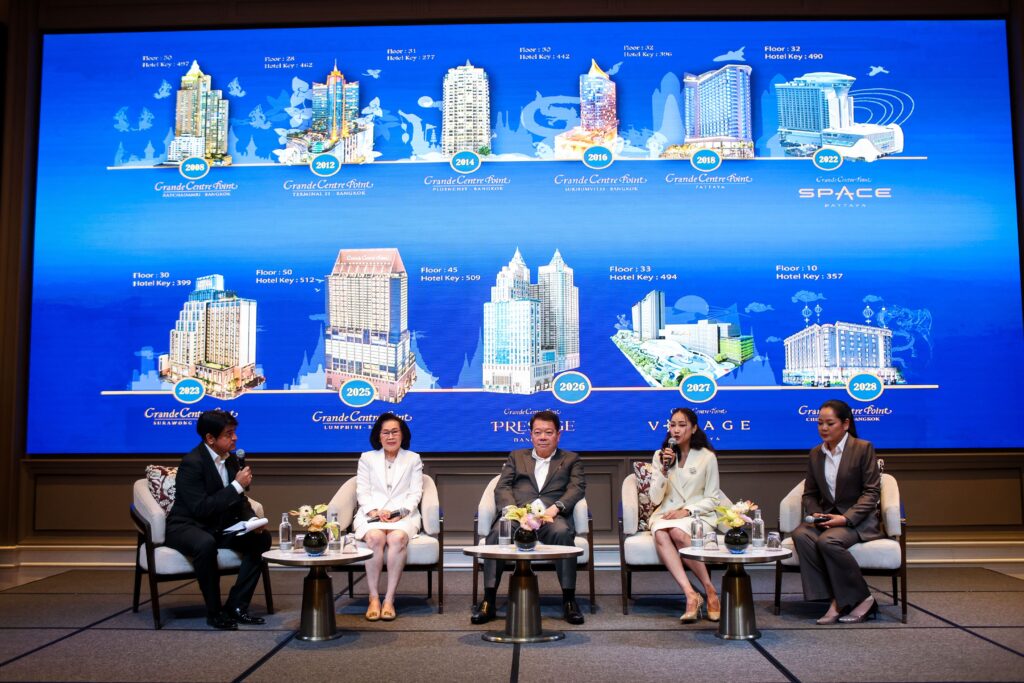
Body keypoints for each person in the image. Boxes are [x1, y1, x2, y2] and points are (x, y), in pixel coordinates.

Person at [471, 409, 586, 625]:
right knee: (498, 533)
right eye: (538, 432)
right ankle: (488, 600)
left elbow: (576, 488)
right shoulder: (516, 456)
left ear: (558, 435)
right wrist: (513, 512)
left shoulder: (571, 459)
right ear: (531, 435)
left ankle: (569, 600)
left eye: (548, 432)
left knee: (562, 533)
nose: (543, 437)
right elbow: (502, 486)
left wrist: (554, 509)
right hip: (518, 516)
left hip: (550, 518)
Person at [165, 410, 271, 630]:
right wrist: (236, 485)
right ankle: (214, 613)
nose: (235, 438)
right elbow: (201, 508)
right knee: (205, 543)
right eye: (228, 434)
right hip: (187, 526)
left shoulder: (230, 460)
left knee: (261, 539)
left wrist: (252, 521)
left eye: (235, 432)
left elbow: (239, 501)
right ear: (210, 438)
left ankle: (237, 605)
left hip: (218, 526)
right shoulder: (192, 462)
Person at [792, 398, 882, 624]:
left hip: (857, 521)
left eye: (829, 423)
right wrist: (816, 515)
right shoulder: (816, 453)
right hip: (827, 518)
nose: (823, 428)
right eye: (819, 423)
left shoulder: (862, 448)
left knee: (828, 541)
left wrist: (845, 518)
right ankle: (836, 598)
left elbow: (871, 492)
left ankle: (861, 598)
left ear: (846, 424)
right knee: (801, 534)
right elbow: (809, 494)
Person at [648, 407, 722, 622]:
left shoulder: (707, 457)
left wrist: (687, 511)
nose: (676, 430)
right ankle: (691, 594)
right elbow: (654, 498)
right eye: (672, 425)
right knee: (661, 532)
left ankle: (709, 589)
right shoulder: (660, 456)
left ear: (694, 428)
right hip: (666, 513)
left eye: (682, 425)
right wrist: (664, 470)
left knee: (677, 533)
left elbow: (713, 499)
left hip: (697, 515)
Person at [354, 412, 423, 622]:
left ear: (402, 435)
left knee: (397, 538)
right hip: (372, 514)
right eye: (386, 432)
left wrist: (400, 512)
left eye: (395, 432)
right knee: (375, 537)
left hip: (403, 515)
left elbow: (415, 493)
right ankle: (374, 597)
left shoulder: (413, 458)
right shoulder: (367, 458)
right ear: (379, 435)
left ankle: (389, 599)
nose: (390, 437)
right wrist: (374, 511)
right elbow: (362, 491)